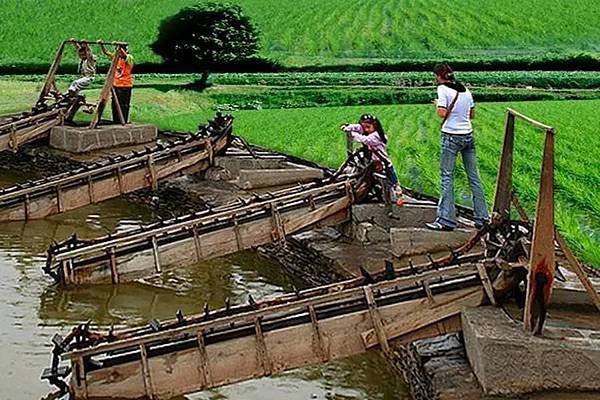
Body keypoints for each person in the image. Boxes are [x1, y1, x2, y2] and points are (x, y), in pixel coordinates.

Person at [426, 63, 489, 231]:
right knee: (474, 177)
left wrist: (436, 105)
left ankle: (445, 220)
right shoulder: (465, 90)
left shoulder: (442, 89)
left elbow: (441, 113)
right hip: (468, 135)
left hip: (451, 136)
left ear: (439, 76)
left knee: (447, 177)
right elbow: (472, 114)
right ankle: (482, 217)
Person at [341, 114, 403, 205]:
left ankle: (397, 198)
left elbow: (365, 140)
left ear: (375, 126)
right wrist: (349, 127)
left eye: (368, 127)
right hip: (372, 163)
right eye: (364, 127)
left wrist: (351, 133)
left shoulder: (376, 136)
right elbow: (359, 127)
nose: (365, 129)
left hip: (383, 163)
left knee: (392, 182)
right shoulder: (368, 131)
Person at [99, 40, 134, 123]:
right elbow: (106, 52)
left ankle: (123, 120)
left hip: (125, 85)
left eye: (119, 51)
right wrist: (101, 45)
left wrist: (119, 47)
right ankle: (116, 120)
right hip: (116, 85)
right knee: (115, 104)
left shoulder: (129, 57)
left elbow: (125, 56)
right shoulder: (116, 58)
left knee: (124, 104)